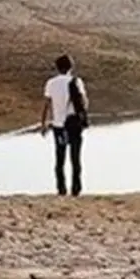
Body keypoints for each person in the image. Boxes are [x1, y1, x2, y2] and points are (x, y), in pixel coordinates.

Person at [40, 54, 89, 197]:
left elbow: (46, 105)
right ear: (71, 67)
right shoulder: (76, 81)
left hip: (58, 125)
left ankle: (61, 189)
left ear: (57, 67)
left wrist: (43, 124)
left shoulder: (51, 83)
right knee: (75, 158)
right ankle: (76, 189)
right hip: (74, 123)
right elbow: (84, 102)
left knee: (59, 158)